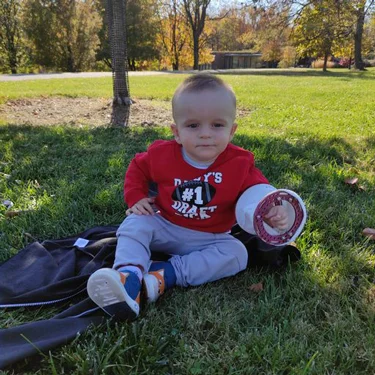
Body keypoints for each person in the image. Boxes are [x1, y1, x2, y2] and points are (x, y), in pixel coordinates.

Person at [87, 73, 289, 321]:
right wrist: (136, 197)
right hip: (165, 224)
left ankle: (164, 277)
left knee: (237, 253)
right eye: (193, 125)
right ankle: (128, 277)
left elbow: (259, 194)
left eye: (217, 125)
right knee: (134, 223)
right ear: (177, 132)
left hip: (209, 237)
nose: (206, 134)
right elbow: (137, 168)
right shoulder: (162, 154)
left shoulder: (239, 163)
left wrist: (271, 211)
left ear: (232, 130)